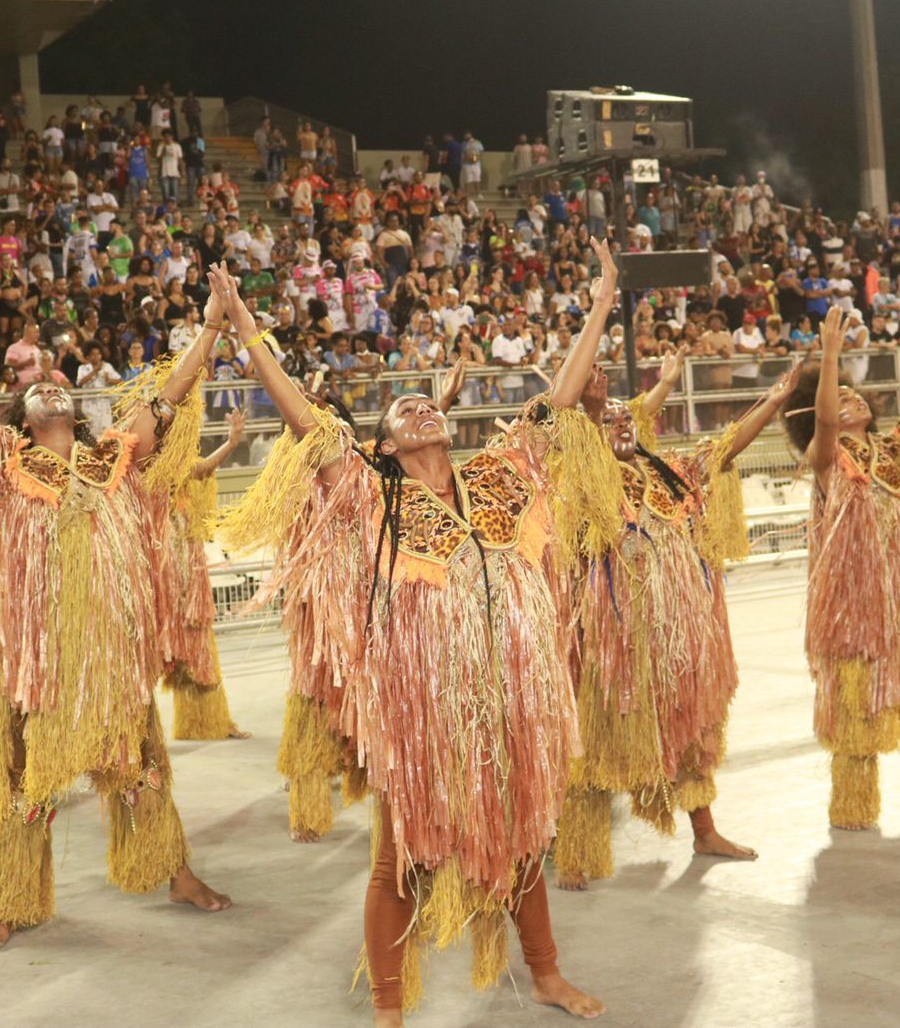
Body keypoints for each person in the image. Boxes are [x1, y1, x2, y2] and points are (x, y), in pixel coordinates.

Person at [214, 241, 622, 1025]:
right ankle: (391, 1007)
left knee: (525, 836)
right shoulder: (372, 496)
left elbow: (561, 401)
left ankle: (546, 975)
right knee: (400, 861)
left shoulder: (499, 475)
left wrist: (602, 300)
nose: (422, 410)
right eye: (404, 412)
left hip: (510, 698)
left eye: (427, 404)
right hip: (423, 712)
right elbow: (303, 414)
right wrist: (244, 327)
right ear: (389, 444)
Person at [0, 265, 231, 951]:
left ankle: (175, 872)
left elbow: (169, 394)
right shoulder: (4, 464)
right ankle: (8, 901)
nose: (47, 381)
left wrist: (214, 326)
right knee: (23, 787)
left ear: (75, 409)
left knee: (143, 771)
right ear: (22, 417)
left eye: (57, 381)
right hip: (38, 671)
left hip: (113, 664)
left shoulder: (114, 458)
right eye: (33, 386)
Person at [554, 350, 803, 890]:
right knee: (602, 741)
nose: (619, 424)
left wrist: (773, 401)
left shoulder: (671, 474)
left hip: (679, 636)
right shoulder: (579, 478)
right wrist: (592, 410)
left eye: (627, 418)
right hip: (613, 639)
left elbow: (723, 449)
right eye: (610, 418)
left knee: (692, 733)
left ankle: (705, 830)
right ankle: (578, 850)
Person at [779, 301, 900, 830]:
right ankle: (853, 806)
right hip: (858, 608)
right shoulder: (828, 460)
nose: (849, 399)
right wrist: (828, 357)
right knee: (858, 701)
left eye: (853, 393)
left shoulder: (898, 450)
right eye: (840, 397)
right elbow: (823, 418)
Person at [155, 407, 251, 741]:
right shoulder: (150, 468)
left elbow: (204, 467)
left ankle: (210, 719)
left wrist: (231, 442)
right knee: (170, 644)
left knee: (199, 644)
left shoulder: (183, 471)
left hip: (187, 565)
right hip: (163, 568)